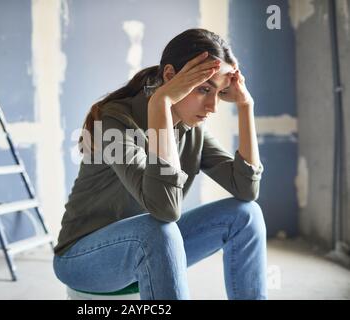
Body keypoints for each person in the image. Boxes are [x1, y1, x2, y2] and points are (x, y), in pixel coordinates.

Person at [53, 28, 267, 300]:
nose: (213, 105)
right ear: (170, 76)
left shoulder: (191, 129)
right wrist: (161, 104)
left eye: (221, 92)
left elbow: (246, 189)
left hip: (148, 245)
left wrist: (246, 105)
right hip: (82, 259)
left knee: (246, 215)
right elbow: (164, 210)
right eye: (203, 89)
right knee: (158, 231)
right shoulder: (115, 122)